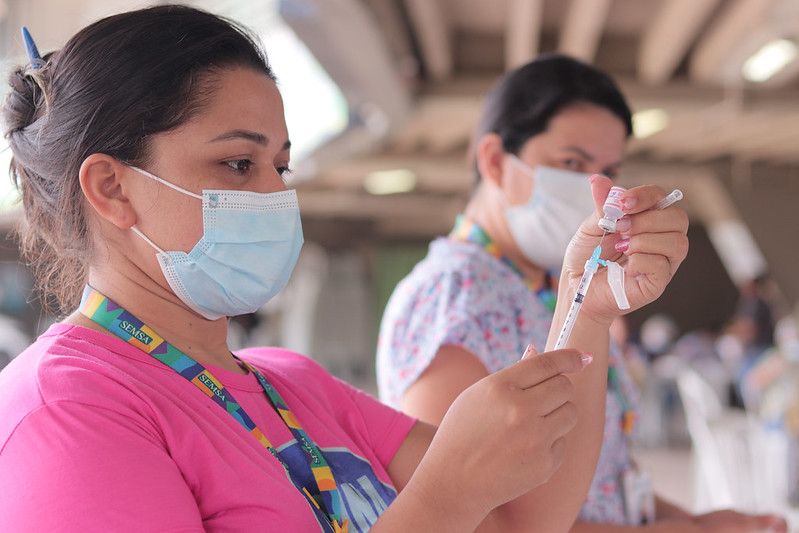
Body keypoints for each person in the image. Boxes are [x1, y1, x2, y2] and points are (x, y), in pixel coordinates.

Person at [0, 6, 689, 532]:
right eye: (238, 164)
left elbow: (520, 519)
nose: (275, 196)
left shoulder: (290, 384)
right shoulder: (66, 409)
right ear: (112, 188)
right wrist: (444, 497)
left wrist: (585, 306)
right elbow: (462, 505)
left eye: (280, 165)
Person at [377, 55, 786, 532]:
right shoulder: (451, 299)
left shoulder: (548, 285)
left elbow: (595, 479)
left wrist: (693, 519)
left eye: (609, 168)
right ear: (493, 160)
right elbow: (471, 516)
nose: (596, 188)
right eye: (570, 163)